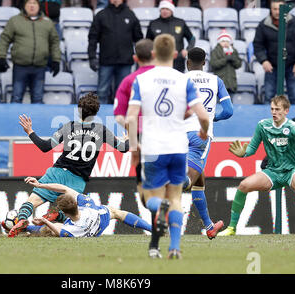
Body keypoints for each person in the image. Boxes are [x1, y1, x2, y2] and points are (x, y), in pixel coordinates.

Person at [126, 34, 209, 259]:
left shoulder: (142, 80)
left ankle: (158, 207)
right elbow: (202, 115)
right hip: (178, 147)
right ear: (175, 54)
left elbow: (131, 118)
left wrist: (134, 147)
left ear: (153, 54)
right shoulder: (184, 81)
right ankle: (174, 248)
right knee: (176, 199)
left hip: (153, 148)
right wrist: (203, 130)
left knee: (150, 198)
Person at [8, 92, 130, 237]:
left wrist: (30, 132)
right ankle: (52, 216)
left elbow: (45, 147)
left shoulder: (68, 127)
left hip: (57, 172)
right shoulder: (101, 130)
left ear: (79, 111)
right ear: (96, 112)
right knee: (67, 214)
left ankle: (21, 220)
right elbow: (124, 148)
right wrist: (128, 138)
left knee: (31, 201)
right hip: (77, 180)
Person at [218, 95, 295, 236]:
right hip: (272, 172)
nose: (274, 112)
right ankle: (231, 228)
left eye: (277, 109)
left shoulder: (294, 128)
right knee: (244, 185)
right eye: (272, 109)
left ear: (286, 111)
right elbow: (252, 148)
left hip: (292, 170)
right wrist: (243, 153)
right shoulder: (263, 126)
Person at [183, 47, 234, 239]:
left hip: (178, 133)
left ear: (188, 62)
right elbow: (228, 111)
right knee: (187, 180)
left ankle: (209, 226)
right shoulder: (216, 80)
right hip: (200, 136)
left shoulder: (179, 79)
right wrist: (213, 118)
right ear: (205, 62)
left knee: (198, 181)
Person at [18, 177, 152, 237]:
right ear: (76, 203)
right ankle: (152, 229)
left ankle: (24, 227)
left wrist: (46, 221)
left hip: (85, 231)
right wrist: (40, 185)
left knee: (50, 230)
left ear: (65, 213)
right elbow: (64, 188)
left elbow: (59, 231)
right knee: (116, 212)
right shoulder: (86, 202)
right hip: (99, 221)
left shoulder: (71, 228)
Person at [113, 38, 155, 206]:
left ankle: (154, 209)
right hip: (167, 134)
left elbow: (120, 117)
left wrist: (134, 141)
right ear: (155, 54)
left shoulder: (129, 81)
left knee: (145, 186)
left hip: (141, 136)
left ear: (135, 58)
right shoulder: (170, 78)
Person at [0, 0, 61, 104]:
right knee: (16, 98)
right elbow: (5, 39)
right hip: (20, 67)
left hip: (39, 68)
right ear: (24, 5)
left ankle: (36, 121)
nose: (32, 6)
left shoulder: (47, 22)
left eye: (34, 3)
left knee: (37, 99)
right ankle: (14, 120)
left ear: (39, 6)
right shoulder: (15, 21)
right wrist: (1, 57)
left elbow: (54, 42)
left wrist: (56, 60)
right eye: (29, 3)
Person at [253, 0, 295, 105]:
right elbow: (257, 45)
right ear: (270, 9)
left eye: (280, 9)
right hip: (272, 66)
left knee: (294, 98)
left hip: (292, 65)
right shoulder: (263, 25)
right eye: (275, 9)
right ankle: (269, 121)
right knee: (268, 98)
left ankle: (294, 121)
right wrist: (264, 61)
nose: (277, 12)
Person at [88, 0, 143, 104]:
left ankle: (120, 118)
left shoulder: (130, 14)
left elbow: (139, 39)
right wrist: (92, 57)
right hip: (106, 61)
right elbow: (93, 38)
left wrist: (142, 58)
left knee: (122, 93)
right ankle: (101, 117)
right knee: (102, 92)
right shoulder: (101, 15)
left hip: (125, 62)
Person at [146, 0, 195, 73]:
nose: (164, 11)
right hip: (158, 62)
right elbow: (147, 42)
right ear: (160, 10)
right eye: (162, 9)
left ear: (172, 10)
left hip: (178, 62)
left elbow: (192, 38)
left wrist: (187, 50)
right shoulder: (153, 24)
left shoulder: (180, 23)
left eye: (167, 9)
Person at [210, 30, 242, 97]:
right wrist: (225, 59)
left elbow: (238, 64)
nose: (225, 43)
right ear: (219, 42)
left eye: (227, 41)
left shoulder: (233, 50)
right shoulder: (215, 51)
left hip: (231, 83)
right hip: (220, 81)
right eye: (223, 41)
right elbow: (213, 64)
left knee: (230, 103)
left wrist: (233, 59)